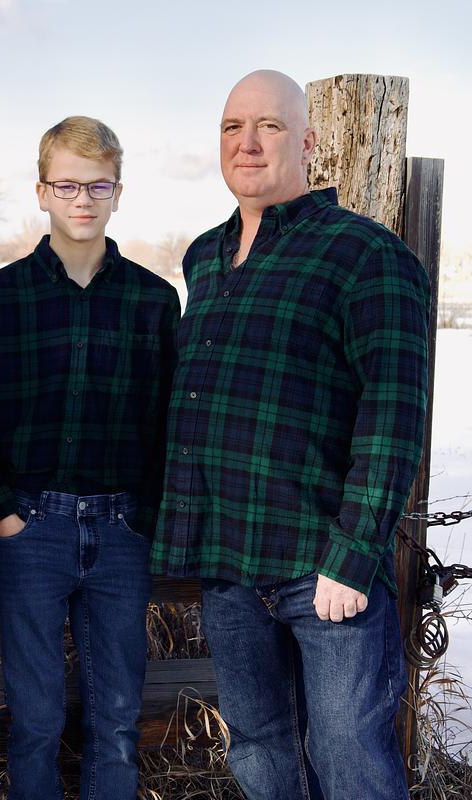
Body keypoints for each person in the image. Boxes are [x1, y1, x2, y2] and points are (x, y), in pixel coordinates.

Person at [151, 71, 430, 799]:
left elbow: (394, 414)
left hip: (323, 570)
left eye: (269, 126)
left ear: (307, 142)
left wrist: (353, 554)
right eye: (232, 126)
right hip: (229, 565)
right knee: (260, 751)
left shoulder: (366, 255)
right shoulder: (205, 256)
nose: (246, 142)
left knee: (350, 760)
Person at [0, 116, 180, 800]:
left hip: (122, 532)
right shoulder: (1, 296)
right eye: (67, 185)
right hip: (32, 528)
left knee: (116, 717)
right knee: (36, 718)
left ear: (118, 193)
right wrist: (1, 512)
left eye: (98, 185)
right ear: (42, 192)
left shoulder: (153, 300)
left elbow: (169, 421)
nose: (83, 199)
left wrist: (146, 513)